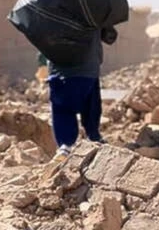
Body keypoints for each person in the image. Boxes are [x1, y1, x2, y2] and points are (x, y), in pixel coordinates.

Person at [44, 25, 118, 158]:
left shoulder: (45, 7)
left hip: (59, 70)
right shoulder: (92, 8)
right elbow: (110, 36)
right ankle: (94, 139)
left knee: (62, 109)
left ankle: (65, 147)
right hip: (88, 68)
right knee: (91, 106)